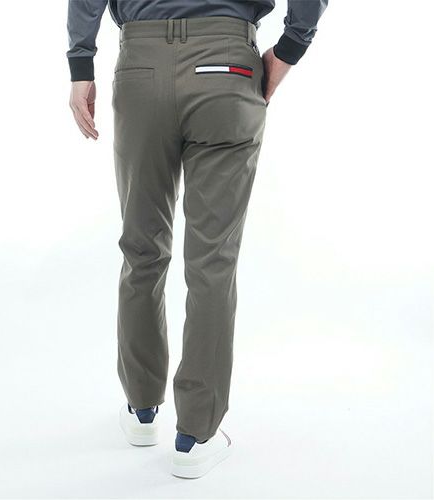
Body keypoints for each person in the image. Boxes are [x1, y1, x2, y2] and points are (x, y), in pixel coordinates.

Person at [67, 0, 328, 478]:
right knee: (213, 261)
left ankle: (142, 409)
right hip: (227, 66)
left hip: (142, 64)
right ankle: (196, 436)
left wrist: (81, 64)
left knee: (142, 248)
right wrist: (291, 46)